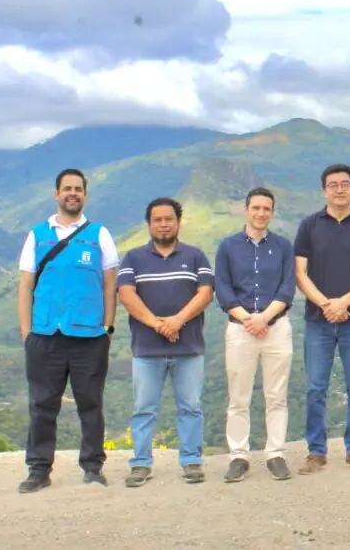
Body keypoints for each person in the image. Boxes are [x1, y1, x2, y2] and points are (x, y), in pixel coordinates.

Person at [15, 168, 119, 493]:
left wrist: (108, 327)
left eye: (78, 189)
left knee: (90, 404)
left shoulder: (99, 235)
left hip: (89, 336)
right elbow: (26, 285)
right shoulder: (38, 235)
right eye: (67, 188)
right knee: (42, 405)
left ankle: (93, 468)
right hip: (45, 335)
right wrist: (27, 332)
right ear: (57, 194)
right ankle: (38, 470)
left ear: (84, 195)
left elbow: (110, 284)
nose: (73, 193)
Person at [117, 198, 214, 487]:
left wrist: (177, 321)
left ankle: (191, 460)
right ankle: (141, 463)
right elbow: (126, 295)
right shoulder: (133, 258)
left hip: (188, 348)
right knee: (144, 408)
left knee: (191, 407)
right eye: (157, 220)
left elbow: (205, 293)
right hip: (147, 349)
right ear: (148, 224)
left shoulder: (196, 256)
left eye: (168, 219)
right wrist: (159, 324)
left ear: (178, 222)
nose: (163, 225)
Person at [294, 164, 350, 474]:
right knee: (315, 387)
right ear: (324, 191)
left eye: (345, 184)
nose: (340, 189)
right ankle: (316, 451)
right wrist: (325, 304)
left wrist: (343, 302)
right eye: (333, 185)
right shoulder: (309, 226)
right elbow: (300, 273)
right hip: (318, 321)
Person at [214, 187, 296, 483]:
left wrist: (264, 317)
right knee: (239, 396)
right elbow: (223, 288)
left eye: (266, 209)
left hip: (276, 328)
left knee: (277, 395)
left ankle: (275, 454)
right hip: (240, 328)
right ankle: (239, 456)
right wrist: (249, 319)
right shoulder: (228, 247)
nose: (261, 213)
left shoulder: (283, 246)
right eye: (256, 208)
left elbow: (287, 287)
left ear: (272, 212)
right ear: (246, 210)